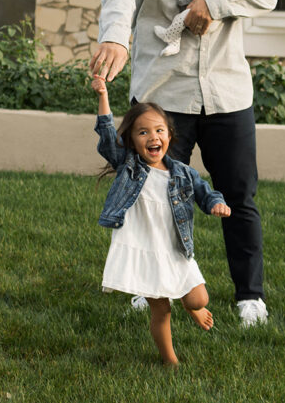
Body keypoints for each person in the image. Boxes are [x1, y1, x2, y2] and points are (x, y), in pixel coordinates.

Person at [89, 0, 278, 327]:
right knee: (149, 197)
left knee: (240, 195)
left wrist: (212, 2)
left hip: (227, 94)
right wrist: (115, 36)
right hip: (162, 98)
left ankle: (249, 296)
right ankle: (150, 285)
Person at [92, 75, 230, 366]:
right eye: (143, 133)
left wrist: (216, 204)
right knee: (161, 310)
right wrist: (103, 95)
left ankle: (188, 303)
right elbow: (106, 136)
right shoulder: (128, 165)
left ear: (169, 135)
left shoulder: (181, 172)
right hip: (146, 251)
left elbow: (205, 192)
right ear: (131, 140)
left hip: (176, 248)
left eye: (159, 130)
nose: (152, 137)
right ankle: (170, 360)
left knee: (198, 300)